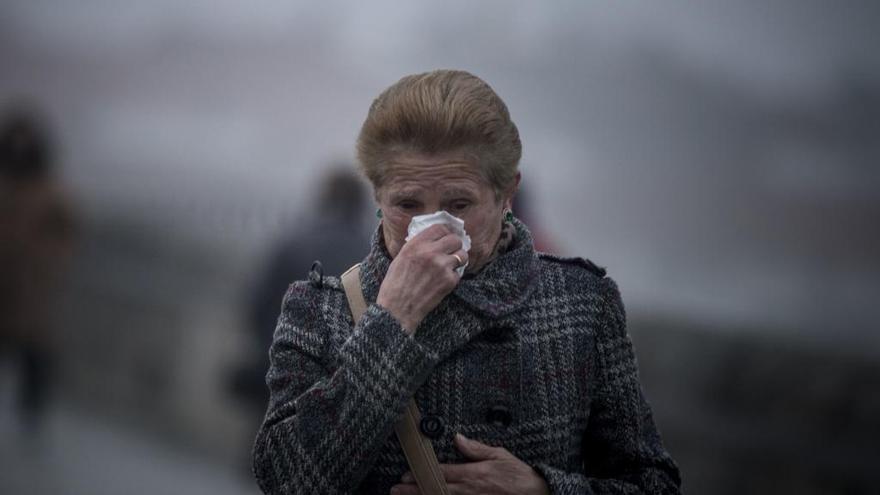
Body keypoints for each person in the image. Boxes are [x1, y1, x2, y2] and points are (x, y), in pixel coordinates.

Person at [252, 70, 681, 494]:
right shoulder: (319, 309)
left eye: (459, 203)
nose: (433, 226)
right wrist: (392, 322)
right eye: (407, 203)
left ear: (506, 194)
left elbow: (654, 484)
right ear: (377, 196)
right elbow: (288, 482)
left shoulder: (582, 304)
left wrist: (543, 490)